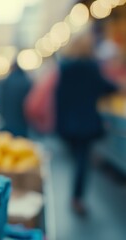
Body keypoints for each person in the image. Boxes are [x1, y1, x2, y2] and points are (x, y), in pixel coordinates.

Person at [54, 29, 117, 215]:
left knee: (76, 159)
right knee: (82, 160)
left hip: (69, 123)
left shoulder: (65, 68)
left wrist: (59, 123)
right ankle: (77, 197)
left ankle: (75, 196)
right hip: (87, 123)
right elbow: (105, 87)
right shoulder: (91, 67)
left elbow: (60, 98)